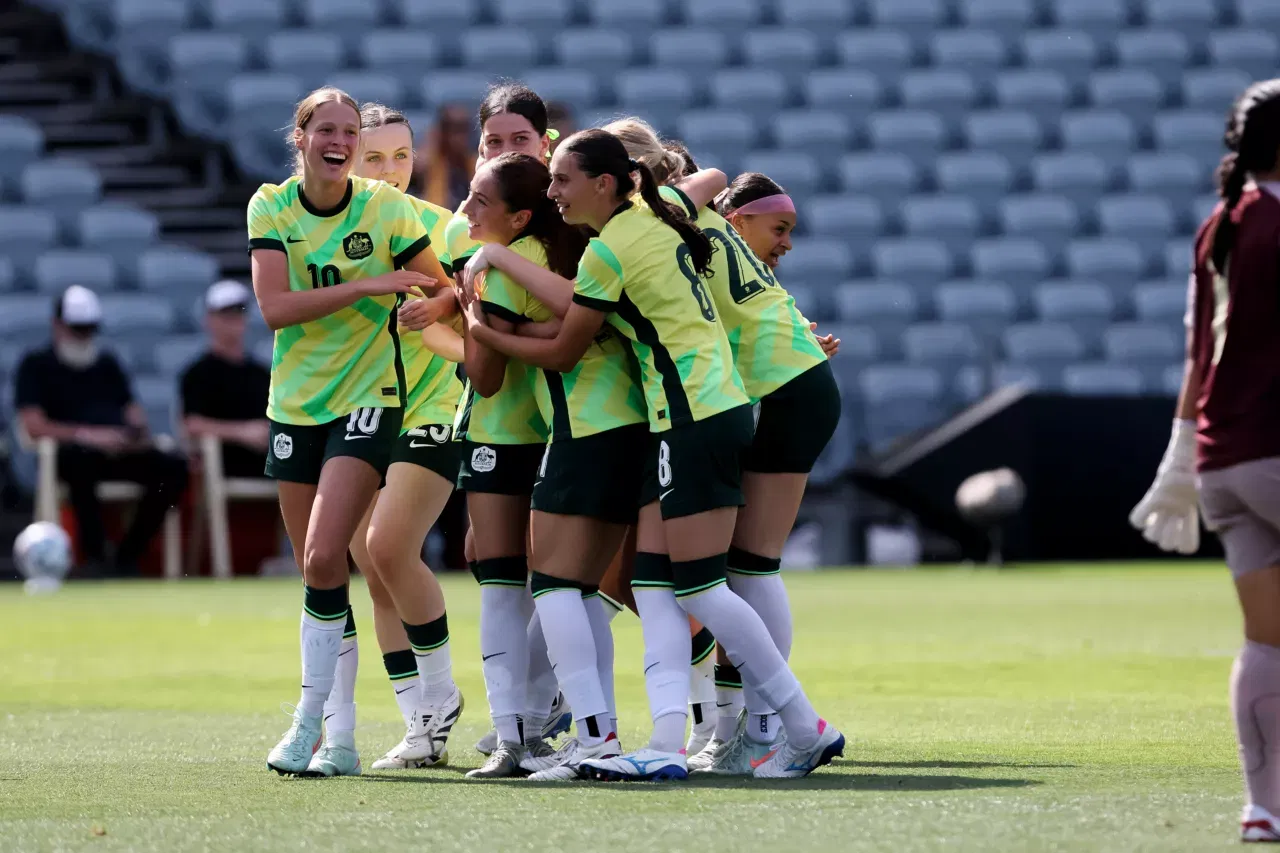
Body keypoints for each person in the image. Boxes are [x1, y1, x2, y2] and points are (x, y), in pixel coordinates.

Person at [462, 129, 844, 781]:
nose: (554, 192)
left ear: (606, 183)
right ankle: (673, 740)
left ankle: (797, 726)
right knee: (661, 582)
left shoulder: (610, 250)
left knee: (705, 585)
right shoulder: (657, 213)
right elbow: (707, 179)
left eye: (563, 179)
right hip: (709, 406)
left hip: (692, 412)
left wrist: (485, 321)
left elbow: (565, 348)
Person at [249, 86, 455, 778]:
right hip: (295, 402)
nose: (338, 142)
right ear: (301, 138)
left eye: (348, 133)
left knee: (337, 552)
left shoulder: (391, 211)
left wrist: (432, 308)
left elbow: (444, 288)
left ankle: (312, 719)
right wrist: (366, 287)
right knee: (323, 570)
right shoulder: (270, 205)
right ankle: (339, 739)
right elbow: (275, 309)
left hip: (372, 398)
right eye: (326, 130)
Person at [460, 151, 647, 780]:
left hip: (560, 433)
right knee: (589, 593)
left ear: (520, 216)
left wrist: (469, 316)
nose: (466, 209)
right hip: (624, 425)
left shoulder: (509, 264)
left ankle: (530, 735)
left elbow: (486, 378)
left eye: (479, 200)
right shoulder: (589, 246)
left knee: (530, 589)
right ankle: (607, 732)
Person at [1129, 79, 1280, 843]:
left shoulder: (1218, 224)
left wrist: (1181, 458)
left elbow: (1198, 356)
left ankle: (1263, 806)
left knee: (1265, 640)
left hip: (1224, 460)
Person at [441, 83, 574, 762]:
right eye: (492, 141)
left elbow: (488, 367)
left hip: (546, 430)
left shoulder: (568, 235)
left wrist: (478, 316)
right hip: (523, 428)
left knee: (550, 582)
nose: (502, 151)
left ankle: (531, 720)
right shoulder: (534, 237)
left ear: (547, 146)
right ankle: (531, 718)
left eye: (518, 140)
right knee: (538, 580)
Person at [344, 102, 467, 772]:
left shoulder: (440, 228)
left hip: (433, 405)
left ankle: (443, 692)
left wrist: (442, 317)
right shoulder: (324, 231)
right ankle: (420, 725)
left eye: (400, 156)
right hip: (359, 409)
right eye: (374, 157)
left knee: (387, 545)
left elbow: (471, 317)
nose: (389, 170)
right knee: (375, 568)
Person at [15, 285, 189, 576]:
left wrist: (133, 436)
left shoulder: (107, 364)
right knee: (79, 460)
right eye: (77, 329)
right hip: (71, 456)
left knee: (173, 466)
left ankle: (128, 554)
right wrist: (86, 436)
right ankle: (94, 557)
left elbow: (134, 414)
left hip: (117, 453)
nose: (84, 337)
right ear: (57, 325)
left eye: (89, 329)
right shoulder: (36, 365)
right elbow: (33, 426)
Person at [180, 279, 271, 480]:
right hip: (225, 461)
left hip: (267, 458)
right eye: (225, 315)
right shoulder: (198, 373)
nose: (233, 321)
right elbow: (192, 425)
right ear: (209, 320)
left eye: (238, 313)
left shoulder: (261, 373)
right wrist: (242, 433)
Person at [419, 103, 476, 209]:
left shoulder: (475, 164)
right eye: (454, 130)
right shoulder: (430, 163)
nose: (460, 137)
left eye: (464, 130)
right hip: (437, 218)